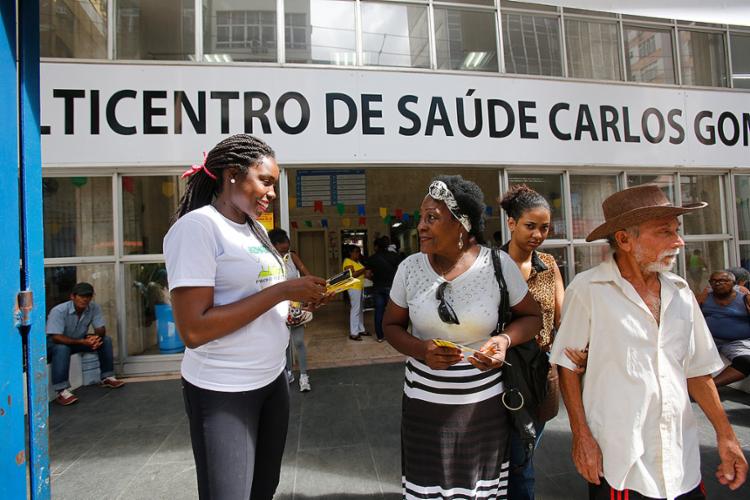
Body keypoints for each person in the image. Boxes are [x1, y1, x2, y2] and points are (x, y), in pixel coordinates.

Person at [550, 184, 747, 500]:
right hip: (621, 462)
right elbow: (568, 365)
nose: (678, 241)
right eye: (665, 232)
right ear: (625, 239)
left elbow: (697, 371)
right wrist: (581, 436)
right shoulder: (589, 289)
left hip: (679, 461)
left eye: (676, 231)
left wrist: (726, 436)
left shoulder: (681, 292)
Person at [164, 134, 327, 500]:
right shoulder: (197, 228)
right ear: (232, 175)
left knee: (263, 490)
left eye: (274, 184)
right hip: (223, 389)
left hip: (271, 380)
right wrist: (284, 290)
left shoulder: (257, 229)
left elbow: (257, 297)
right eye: (265, 181)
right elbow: (194, 329)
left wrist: (294, 307)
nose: (271, 193)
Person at [383, 175, 543, 500]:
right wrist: (420, 349)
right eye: (421, 218)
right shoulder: (410, 268)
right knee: (427, 490)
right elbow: (391, 326)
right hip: (424, 407)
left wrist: (503, 341)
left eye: (433, 218)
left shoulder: (498, 265)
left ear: (462, 225)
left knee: (478, 491)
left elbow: (532, 317)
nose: (422, 226)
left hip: (482, 409)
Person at [498, 185, 564, 500]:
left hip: (540, 370)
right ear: (511, 223)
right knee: (515, 456)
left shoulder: (549, 265)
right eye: (530, 226)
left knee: (523, 453)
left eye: (544, 228)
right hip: (501, 372)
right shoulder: (490, 265)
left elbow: (562, 318)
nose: (538, 234)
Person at [46, 282, 125, 406]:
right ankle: (61, 391)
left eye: (88, 296)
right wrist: (82, 341)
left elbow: (101, 330)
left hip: (77, 340)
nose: (85, 299)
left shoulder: (93, 307)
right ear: (73, 296)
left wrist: (95, 338)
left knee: (106, 340)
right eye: (82, 296)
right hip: (56, 344)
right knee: (62, 348)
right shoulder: (59, 311)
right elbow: (56, 337)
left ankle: (107, 377)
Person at [269, 228, 313, 392]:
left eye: (286, 242)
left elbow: (306, 274)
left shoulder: (292, 257)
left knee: (299, 341)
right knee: (284, 343)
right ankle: (288, 372)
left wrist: (312, 293)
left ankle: (303, 375)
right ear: (274, 245)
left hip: (295, 306)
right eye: (282, 243)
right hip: (277, 306)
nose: (286, 245)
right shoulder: (269, 260)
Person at [700, 270, 750, 387]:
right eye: (714, 281)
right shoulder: (704, 298)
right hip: (709, 340)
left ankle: (710, 387)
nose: (718, 283)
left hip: (737, 342)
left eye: (723, 280)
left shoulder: (744, 298)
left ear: (734, 283)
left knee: (747, 361)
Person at [365, 236, 400, 342]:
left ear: (377, 246)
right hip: (391, 287)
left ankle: (380, 336)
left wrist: (375, 277)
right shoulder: (394, 256)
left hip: (377, 287)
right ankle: (393, 335)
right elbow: (400, 271)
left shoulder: (372, 258)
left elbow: (367, 274)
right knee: (392, 312)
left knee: (379, 311)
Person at [343, 244, 368, 341]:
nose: (358, 254)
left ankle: (361, 329)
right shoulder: (347, 261)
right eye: (356, 252)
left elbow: (363, 273)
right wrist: (363, 270)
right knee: (355, 309)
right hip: (354, 288)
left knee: (360, 309)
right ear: (350, 253)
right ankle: (354, 333)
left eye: (359, 252)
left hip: (360, 287)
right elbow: (351, 275)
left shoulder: (358, 262)